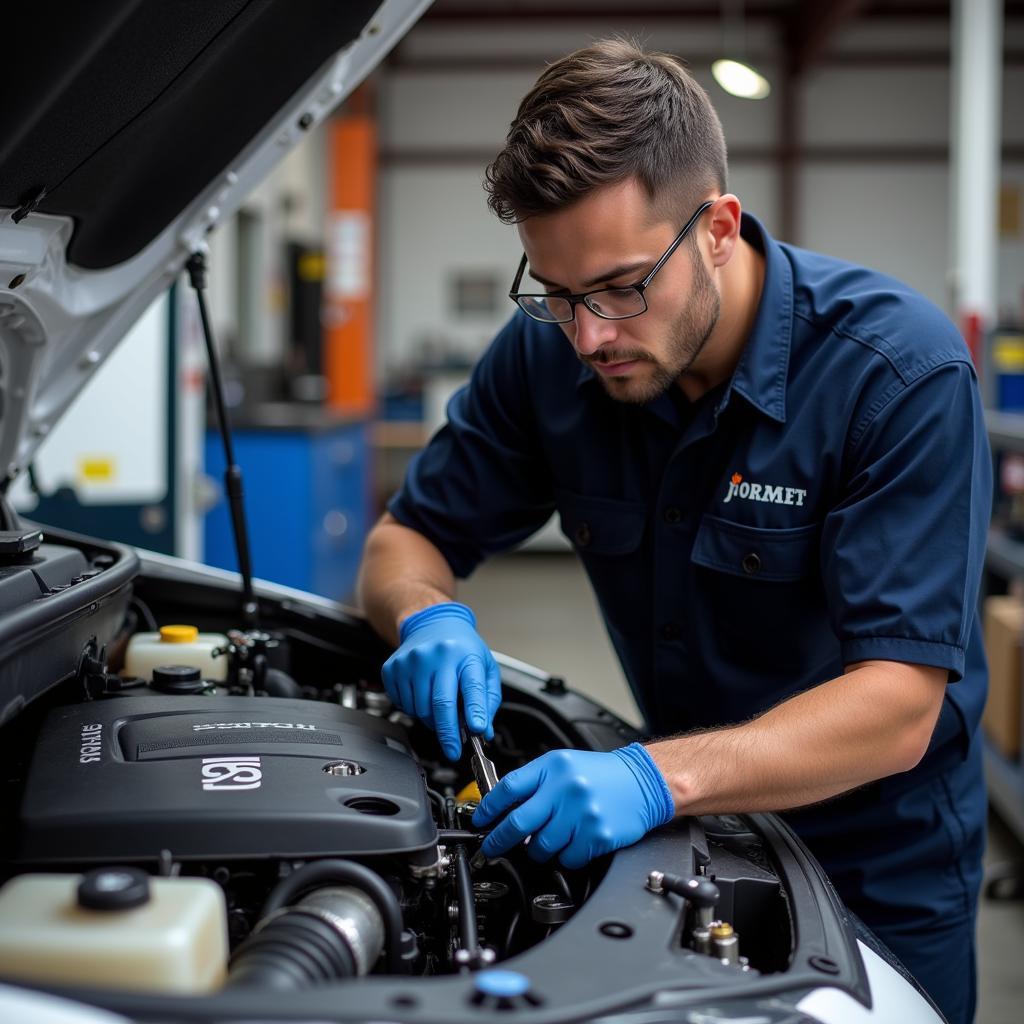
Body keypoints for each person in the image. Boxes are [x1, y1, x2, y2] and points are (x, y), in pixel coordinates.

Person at [356, 39, 990, 1024]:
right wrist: (426, 615)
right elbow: (405, 540)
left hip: (874, 871)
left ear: (719, 229)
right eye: (557, 295)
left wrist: (656, 776)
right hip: (684, 838)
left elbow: (897, 705)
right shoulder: (548, 358)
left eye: (619, 287)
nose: (591, 335)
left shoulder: (893, 375)